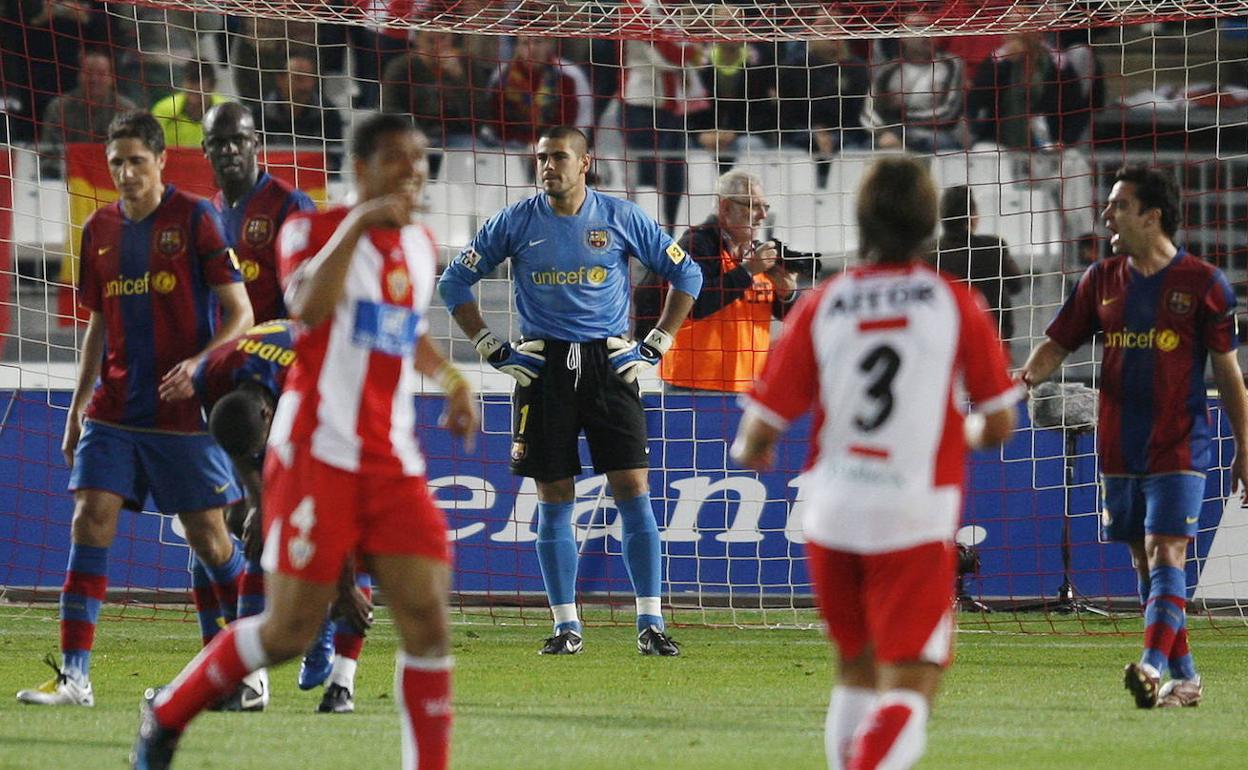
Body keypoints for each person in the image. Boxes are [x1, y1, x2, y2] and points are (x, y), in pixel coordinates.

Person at [130, 113, 479, 770]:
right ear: (361, 167)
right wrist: (360, 222)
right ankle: (169, 711)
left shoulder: (422, 245)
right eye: (398, 159)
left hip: (393, 463)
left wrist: (451, 376)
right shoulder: (308, 230)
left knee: (428, 620)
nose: (413, 172)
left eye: (421, 160)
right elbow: (310, 310)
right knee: (287, 631)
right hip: (317, 456)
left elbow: (404, 330)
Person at [731, 156, 1019, 770]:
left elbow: (754, 437)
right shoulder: (955, 304)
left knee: (855, 673)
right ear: (930, 226)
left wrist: (756, 447)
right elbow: (998, 423)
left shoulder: (825, 303)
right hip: (911, 513)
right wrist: (952, 431)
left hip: (832, 512)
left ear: (860, 219)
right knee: (915, 680)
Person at [15, 110, 255, 707]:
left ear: (161, 161)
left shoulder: (195, 219)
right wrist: (76, 407)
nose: (126, 172)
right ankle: (75, 677)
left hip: (180, 413)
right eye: (117, 162)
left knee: (210, 540)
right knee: (88, 518)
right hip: (113, 409)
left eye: (137, 161)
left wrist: (199, 366)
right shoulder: (97, 229)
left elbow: (241, 313)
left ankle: (249, 667)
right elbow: (99, 323)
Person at [438, 125, 702, 655]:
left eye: (559, 156)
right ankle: (566, 625)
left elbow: (688, 274)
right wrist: (491, 346)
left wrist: (655, 344)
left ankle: (650, 623)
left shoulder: (621, 217)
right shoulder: (514, 222)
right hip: (544, 370)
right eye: (541, 158)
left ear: (585, 163)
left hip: (611, 365)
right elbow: (452, 282)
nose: (547, 166)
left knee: (632, 488)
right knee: (554, 497)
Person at [1020, 164, 1248, 710]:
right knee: (1144, 564)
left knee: (1164, 549)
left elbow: (1229, 374)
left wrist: (1245, 444)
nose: (1107, 214)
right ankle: (1185, 679)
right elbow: (1059, 342)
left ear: (1152, 216)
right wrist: (1024, 377)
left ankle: (1149, 665)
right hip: (1118, 444)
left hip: (1181, 442)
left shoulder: (1203, 284)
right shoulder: (1100, 280)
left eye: (1119, 205)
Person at [192, 318, 375, 714]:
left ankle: (341, 684)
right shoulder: (211, 373)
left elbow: (334, 500)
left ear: (266, 412)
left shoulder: (318, 385)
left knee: (354, 541)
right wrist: (259, 503)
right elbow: (239, 450)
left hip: (359, 410)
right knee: (250, 531)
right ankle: (249, 680)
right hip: (286, 395)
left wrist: (343, 588)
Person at [634, 169, 797, 392]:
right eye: (753, 206)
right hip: (694, 385)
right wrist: (747, 271)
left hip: (749, 385)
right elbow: (695, 305)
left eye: (765, 207)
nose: (763, 215)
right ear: (726, 207)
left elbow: (781, 313)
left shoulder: (756, 253)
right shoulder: (695, 245)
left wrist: (788, 295)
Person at [932, 185, 1023, 343]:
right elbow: (1016, 284)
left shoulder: (927, 253)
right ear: (972, 216)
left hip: (946, 340)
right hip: (991, 339)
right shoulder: (994, 247)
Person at [861, 19, 968, 153]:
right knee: (860, 148)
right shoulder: (888, 70)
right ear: (902, 36)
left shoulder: (952, 65)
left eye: (931, 26)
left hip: (937, 135)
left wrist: (900, 130)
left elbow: (949, 113)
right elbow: (868, 112)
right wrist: (884, 132)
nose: (926, 32)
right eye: (918, 26)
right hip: (890, 136)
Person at [480, 36, 594, 149]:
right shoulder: (502, 76)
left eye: (538, 42)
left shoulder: (569, 76)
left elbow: (576, 122)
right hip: (509, 149)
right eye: (525, 43)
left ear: (549, 44)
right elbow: (495, 122)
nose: (532, 48)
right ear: (517, 47)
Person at [38, 48, 137, 177]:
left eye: (101, 74)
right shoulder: (59, 107)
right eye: (88, 73)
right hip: (67, 180)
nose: (94, 79)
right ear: (79, 75)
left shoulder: (127, 110)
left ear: (112, 78)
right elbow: (49, 153)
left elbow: (134, 152)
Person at [258, 54, 345, 171]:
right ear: (280, 79)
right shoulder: (259, 113)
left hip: (314, 181)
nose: (305, 86)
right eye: (299, 78)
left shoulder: (328, 113)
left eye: (309, 78)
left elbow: (335, 157)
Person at [151, 59, 229, 148]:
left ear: (213, 87)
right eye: (190, 91)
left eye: (198, 93)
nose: (194, 89)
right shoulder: (163, 110)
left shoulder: (227, 113)